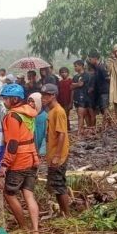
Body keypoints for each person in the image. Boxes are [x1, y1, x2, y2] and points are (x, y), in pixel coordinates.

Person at [0, 84, 40, 234]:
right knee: (29, 195)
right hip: (31, 157)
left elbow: (13, 143)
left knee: (9, 194)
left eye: (6, 98)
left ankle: (24, 227)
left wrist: (4, 164)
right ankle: (35, 231)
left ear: (14, 99)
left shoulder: (13, 116)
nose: (4, 101)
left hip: (18, 160)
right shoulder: (30, 113)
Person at [40, 84, 72, 216]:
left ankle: (68, 215)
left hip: (58, 155)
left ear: (53, 95)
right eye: (42, 95)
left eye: (46, 96)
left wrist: (57, 155)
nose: (43, 98)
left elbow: (62, 134)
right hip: (53, 153)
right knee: (55, 186)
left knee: (59, 185)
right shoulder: (51, 111)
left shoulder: (58, 111)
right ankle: (63, 213)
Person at [89, 50, 110, 129]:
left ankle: (105, 124)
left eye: (90, 59)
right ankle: (107, 123)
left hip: (104, 91)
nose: (90, 61)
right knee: (102, 108)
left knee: (105, 108)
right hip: (100, 92)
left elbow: (107, 78)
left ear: (95, 58)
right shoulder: (96, 68)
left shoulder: (101, 67)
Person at [71, 60, 90, 136]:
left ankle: (80, 130)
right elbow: (71, 86)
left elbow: (81, 84)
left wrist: (75, 84)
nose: (75, 68)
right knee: (81, 115)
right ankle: (83, 129)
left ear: (81, 66)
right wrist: (76, 84)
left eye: (76, 66)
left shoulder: (86, 75)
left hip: (84, 97)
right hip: (76, 97)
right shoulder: (75, 76)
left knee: (81, 115)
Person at [28, 92, 47, 157]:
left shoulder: (44, 116)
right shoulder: (28, 116)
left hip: (40, 152)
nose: (30, 104)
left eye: (33, 101)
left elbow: (45, 135)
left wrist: (42, 151)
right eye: (29, 101)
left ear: (38, 102)